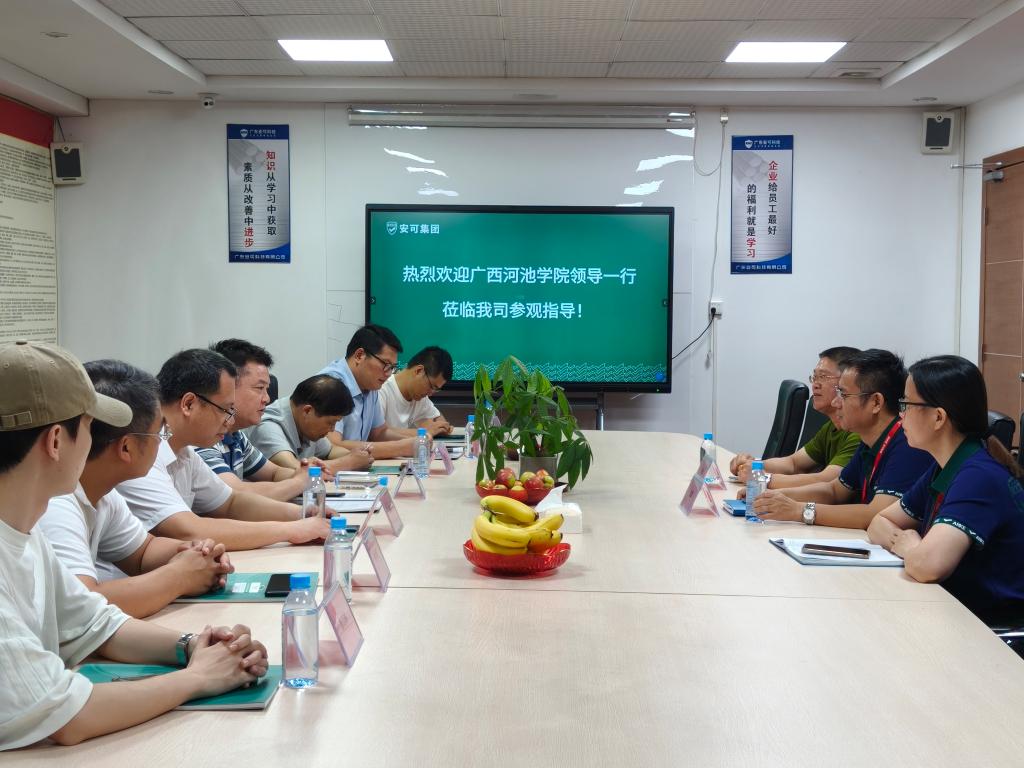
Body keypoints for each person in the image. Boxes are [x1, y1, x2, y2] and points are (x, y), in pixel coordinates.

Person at [0, 341, 267, 750]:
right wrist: (198, 677)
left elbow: (95, 624)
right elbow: (69, 715)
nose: (99, 441)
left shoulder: (26, 533)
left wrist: (194, 646)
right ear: (56, 442)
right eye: (90, 427)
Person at [38, 360, 233, 618]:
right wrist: (181, 575)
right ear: (126, 447)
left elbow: (142, 552)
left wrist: (198, 554)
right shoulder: (55, 503)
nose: (162, 443)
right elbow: (81, 606)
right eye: (159, 434)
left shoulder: (103, 492)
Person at [116, 349, 329, 550]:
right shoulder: (141, 453)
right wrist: (292, 530)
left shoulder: (184, 451)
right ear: (188, 404)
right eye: (226, 410)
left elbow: (231, 503)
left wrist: (304, 513)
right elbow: (189, 530)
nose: (230, 421)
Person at [868, 356, 1024, 624]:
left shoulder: (978, 476)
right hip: (954, 609)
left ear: (938, 417)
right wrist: (905, 544)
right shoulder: (946, 465)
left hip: (990, 629)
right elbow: (878, 522)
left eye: (906, 404)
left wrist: (912, 547)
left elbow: (928, 566)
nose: (900, 414)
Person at [752, 349, 934, 529]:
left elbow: (876, 513)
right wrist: (768, 497)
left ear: (876, 402)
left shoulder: (907, 444)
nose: (835, 402)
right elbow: (834, 491)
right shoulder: (869, 440)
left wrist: (799, 510)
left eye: (844, 395)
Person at [195, 339, 326, 501]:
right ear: (227, 387)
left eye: (267, 389)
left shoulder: (235, 435)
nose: (267, 398)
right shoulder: (201, 438)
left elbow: (273, 473)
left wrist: (303, 473)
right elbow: (235, 495)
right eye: (259, 388)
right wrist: (299, 482)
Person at [731, 346, 861, 492]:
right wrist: (753, 465)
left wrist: (762, 478)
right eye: (815, 377)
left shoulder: (857, 433)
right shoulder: (831, 427)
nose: (815, 384)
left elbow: (826, 481)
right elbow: (793, 463)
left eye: (823, 377)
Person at [320, 324, 424, 458]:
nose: (388, 374)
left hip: (357, 465)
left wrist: (417, 442)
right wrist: (400, 448)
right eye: (385, 364)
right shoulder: (331, 384)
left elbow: (379, 432)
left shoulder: (370, 383)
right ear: (359, 355)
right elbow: (333, 446)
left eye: (392, 367)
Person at [248, 374, 373, 474]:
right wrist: (348, 463)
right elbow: (295, 471)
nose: (332, 429)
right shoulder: (268, 426)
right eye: (331, 422)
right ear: (307, 411)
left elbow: (330, 451)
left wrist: (356, 456)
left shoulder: (304, 423)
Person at [379, 345, 454, 436]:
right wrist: (425, 432)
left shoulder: (419, 397)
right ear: (419, 371)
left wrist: (442, 427)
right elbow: (378, 433)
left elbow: (437, 420)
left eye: (436, 389)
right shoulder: (381, 389)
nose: (430, 394)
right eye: (431, 386)